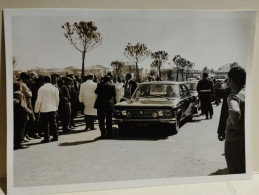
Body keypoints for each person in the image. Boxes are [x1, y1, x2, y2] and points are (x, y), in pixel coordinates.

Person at [224, 66, 246, 174]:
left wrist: (236, 126)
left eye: (228, 80)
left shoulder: (234, 97)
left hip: (235, 145)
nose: (228, 83)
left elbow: (235, 112)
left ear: (232, 80)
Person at [34, 76, 59, 143]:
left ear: (43, 81)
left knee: (45, 123)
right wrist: (56, 107)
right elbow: (57, 99)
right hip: (53, 108)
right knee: (53, 122)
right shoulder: (55, 88)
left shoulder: (41, 89)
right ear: (50, 80)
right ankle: (55, 136)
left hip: (44, 108)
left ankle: (46, 138)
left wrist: (36, 110)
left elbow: (39, 100)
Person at [13, 82, 32, 149]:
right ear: (20, 87)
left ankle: (16, 143)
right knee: (20, 129)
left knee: (16, 129)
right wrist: (28, 111)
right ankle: (18, 144)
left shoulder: (13, 93)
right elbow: (23, 106)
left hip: (15, 114)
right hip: (21, 115)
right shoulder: (20, 94)